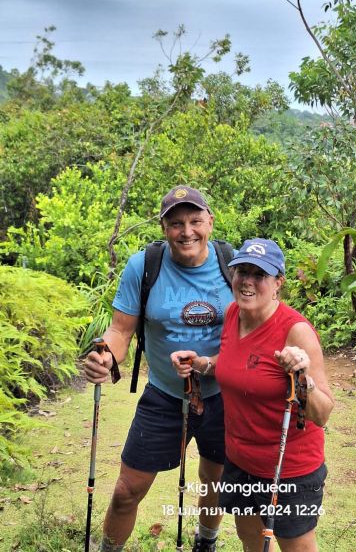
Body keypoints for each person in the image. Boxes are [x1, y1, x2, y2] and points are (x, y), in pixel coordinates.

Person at [84, 185, 234, 552]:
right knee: (127, 491)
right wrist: (106, 355)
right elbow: (120, 330)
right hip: (165, 397)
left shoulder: (233, 263)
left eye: (195, 221)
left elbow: (261, 319)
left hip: (223, 395)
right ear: (164, 227)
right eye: (176, 223)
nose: (187, 232)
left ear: (209, 222)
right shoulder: (144, 266)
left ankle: (206, 542)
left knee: (213, 480)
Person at [172, 238, 335, 552]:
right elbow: (237, 363)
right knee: (252, 541)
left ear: (278, 283)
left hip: (288, 471)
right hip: (240, 461)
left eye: (259, 274)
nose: (247, 281)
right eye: (241, 271)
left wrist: (302, 377)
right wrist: (202, 364)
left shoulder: (295, 330)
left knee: (295, 547)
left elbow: (323, 412)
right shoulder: (234, 314)